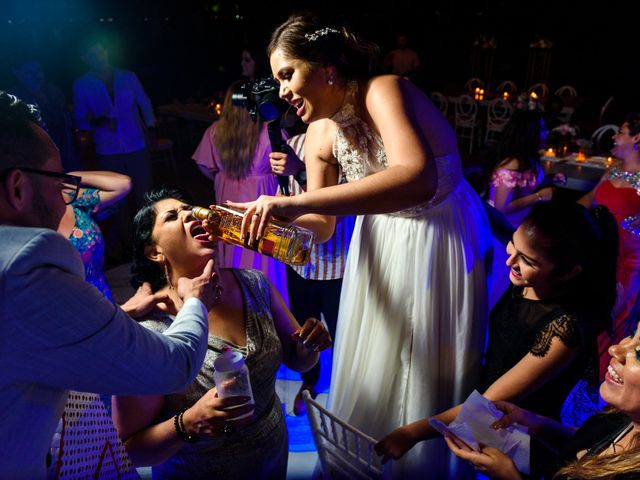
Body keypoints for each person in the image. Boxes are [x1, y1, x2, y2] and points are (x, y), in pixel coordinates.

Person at [227, 13, 493, 477]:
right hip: (380, 239)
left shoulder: (383, 89)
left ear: (327, 67)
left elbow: (416, 176)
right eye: (276, 79)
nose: (283, 91)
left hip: (440, 235)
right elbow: (323, 225)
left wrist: (291, 203)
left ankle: (427, 464)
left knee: (430, 359)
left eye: (287, 74)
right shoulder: (319, 134)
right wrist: (260, 227)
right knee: (379, 354)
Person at [0, 91, 218, 478]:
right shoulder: (28, 269)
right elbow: (173, 365)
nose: (65, 194)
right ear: (17, 187)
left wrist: (118, 313)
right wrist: (195, 303)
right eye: (57, 180)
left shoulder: (253, 285)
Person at [375, 201, 618, 478]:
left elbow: (491, 401)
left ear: (567, 272)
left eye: (528, 261)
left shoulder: (564, 329)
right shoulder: (525, 284)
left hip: (522, 442)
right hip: (487, 421)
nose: (510, 261)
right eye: (514, 245)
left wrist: (411, 433)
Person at [112, 187, 332, 478]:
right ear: (155, 252)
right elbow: (130, 449)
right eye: (172, 216)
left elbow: (299, 361)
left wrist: (308, 347)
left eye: (190, 208)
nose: (190, 214)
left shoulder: (255, 284)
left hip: (273, 461)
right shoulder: (149, 329)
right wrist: (189, 422)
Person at [444, 320, 640, 480]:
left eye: (639, 354)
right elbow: (586, 443)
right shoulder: (620, 417)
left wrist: (509, 476)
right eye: (632, 334)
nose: (616, 349)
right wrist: (531, 421)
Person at [270, 132, 356, 416]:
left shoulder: (345, 147)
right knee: (305, 331)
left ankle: (349, 395)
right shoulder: (292, 145)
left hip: (338, 263)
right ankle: (309, 384)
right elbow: (283, 198)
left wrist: (302, 171)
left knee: (344, 333)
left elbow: (342, 209)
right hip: (300, 262)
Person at [192, 79, 290, 304]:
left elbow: (204, 166)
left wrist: (223, 179)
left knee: (234, 264)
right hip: (258, 205)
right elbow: (287, 166)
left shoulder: (214, 132)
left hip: (229, 205)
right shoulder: (269, 131)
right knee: (263, 265)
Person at [73, 39, 156, 266]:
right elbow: (80, 118)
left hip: (136, 144)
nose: (98, 56)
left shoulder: (126, 76)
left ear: (106, 51)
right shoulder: (82, 85)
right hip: (108, 149)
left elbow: (144, 102)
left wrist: (151, 129)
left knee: (145, 195)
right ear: (85, 59)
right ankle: (129, 248)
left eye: (101, 51)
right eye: (92, 54)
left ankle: (151, 242)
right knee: (117, 203)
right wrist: (98, 121)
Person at [579, 113, 640, 383]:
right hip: (599, 255)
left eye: (621, 131)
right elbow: (589, 199)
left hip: (627, 263)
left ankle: (604, 386)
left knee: (612, 323)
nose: (614, 136)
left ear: (637, 138)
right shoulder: (613, 168)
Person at [57, 170, 132, 300]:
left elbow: (123, 185)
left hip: (105, 301)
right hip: (71, 311)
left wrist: (72, 177)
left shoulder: (69, 195)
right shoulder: (24, 221)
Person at [10, 58, 81, 172]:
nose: (36, 76)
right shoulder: (14, 100)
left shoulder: (55, 92)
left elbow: (67, 125)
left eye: (38, 70)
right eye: (29, 72)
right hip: (38, 164)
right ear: (17, 73)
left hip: (68, 157)